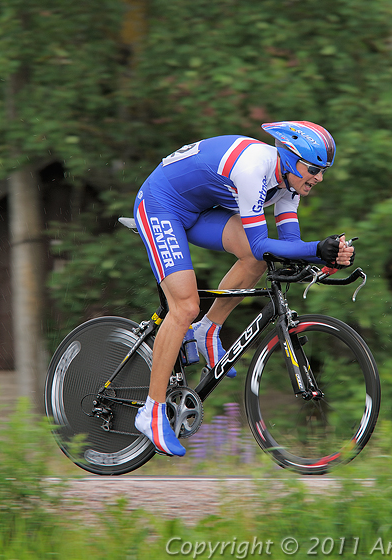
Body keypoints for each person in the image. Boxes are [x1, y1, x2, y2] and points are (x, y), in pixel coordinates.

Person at [132, 121, 355, 457]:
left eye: (323, 171)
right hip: (161, 205)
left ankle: (208, 329)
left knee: (257, 260)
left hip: (200, 211)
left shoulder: (288, 186)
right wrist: (316, 248)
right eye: (313, 169)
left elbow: (288, 246)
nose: (319, 178)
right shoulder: (253, 169)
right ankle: (150, 411)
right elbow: (265, 243)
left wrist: (329, 258)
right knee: (185, 307)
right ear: (290, 158)